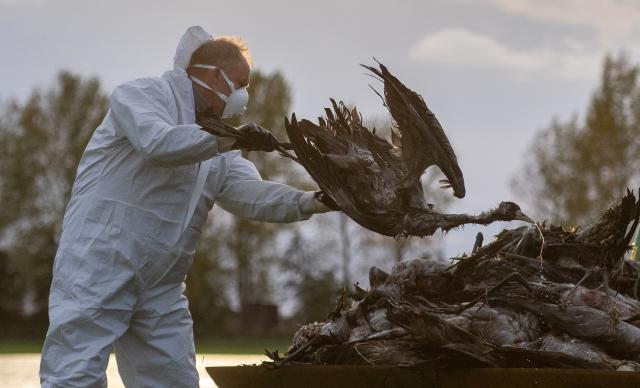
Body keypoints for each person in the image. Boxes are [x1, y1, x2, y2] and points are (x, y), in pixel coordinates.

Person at [39, 25, 334, 387]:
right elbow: (159, 143)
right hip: (100, 261)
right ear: (212, 75)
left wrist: (314, 200)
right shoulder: (144, 95)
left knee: (173, 380)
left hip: (162, 281)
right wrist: (229, 137)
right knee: (75, 373)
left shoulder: (216, 142)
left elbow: (250, 194)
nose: (244, 96)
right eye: (239, 84)